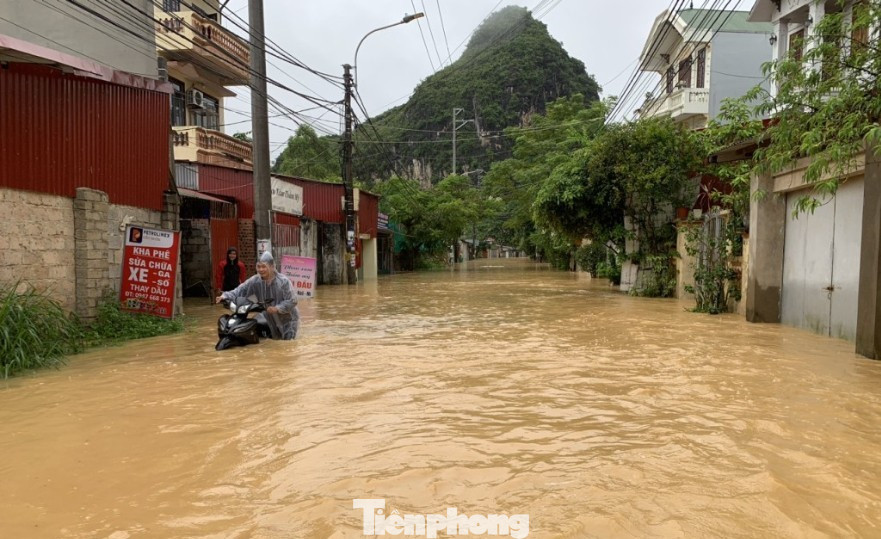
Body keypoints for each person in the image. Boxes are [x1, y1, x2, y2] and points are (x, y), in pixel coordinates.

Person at [216, 251, 299, 340]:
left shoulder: (283, 281)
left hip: (288, 319)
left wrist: (277, 308)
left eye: (264, 266)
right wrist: (225, 296)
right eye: (259, 266)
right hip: (271, 318)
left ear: (271, 267)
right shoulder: (255, 281)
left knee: (288, 344)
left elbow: (293, 300)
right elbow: (240, 290)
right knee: (276, 342)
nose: (261, 270)